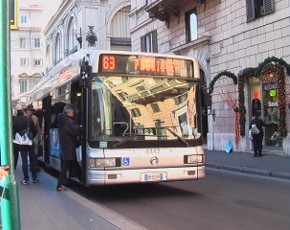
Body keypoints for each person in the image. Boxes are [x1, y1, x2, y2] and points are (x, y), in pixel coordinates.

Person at [56, 104, 82, 191]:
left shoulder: (62, 120)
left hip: (65, 146)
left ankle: (80, 177)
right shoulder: (69, 122)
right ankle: (59, 185)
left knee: (74, 163)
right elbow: (76, 131)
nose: (74, 113)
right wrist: (82, 127)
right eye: (73, 112)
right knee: (66, 167)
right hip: (69, 147)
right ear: (69, 112)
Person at [13, 104, 39, 184]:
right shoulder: (28, 119)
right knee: (33, 160)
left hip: (21, 144)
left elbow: (13, 133)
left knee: (24, 161)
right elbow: (35, 130)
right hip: (30, 142)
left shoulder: (15, 121)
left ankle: (26, 179)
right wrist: (30, 138)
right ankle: (34, 178)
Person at [25, 104, 40, 171]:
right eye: (28, 110)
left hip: (34, 138)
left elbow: (38, 129)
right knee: (29, 153)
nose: (29, 111)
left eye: (31, 110)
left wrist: (38, 138)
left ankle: (34, 166)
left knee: (35, 153)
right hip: (27, 138)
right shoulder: (24, 118)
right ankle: (32, 166)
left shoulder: (35, 118)